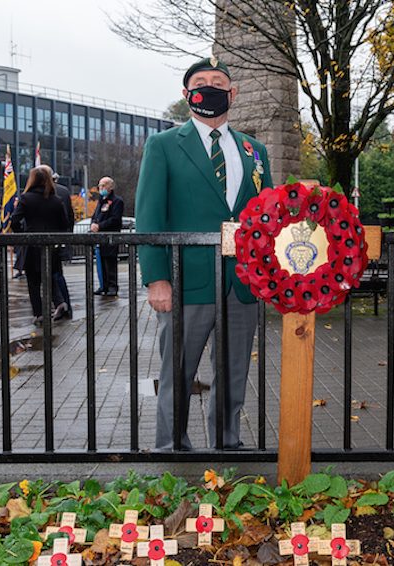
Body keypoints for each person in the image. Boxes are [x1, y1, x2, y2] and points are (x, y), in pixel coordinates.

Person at [135, 55, 273, 451]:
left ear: (233, 93)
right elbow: (149, 217)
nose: (209, 86)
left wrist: (270, 274)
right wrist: (156, 279)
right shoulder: (163, 145)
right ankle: (171, 447)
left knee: (233, 372)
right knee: (178, 371)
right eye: (201, 81)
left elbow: (269, 217)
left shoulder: (255, 149)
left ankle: (226, 443)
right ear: (187, 93)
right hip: (185, 282)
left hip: (242, 282)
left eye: (218, 81)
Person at [11, 166, 69, 326]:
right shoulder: (56, 200)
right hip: (51, 246)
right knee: (50, 276)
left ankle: (39, 313)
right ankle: (59, 302)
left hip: (31, 246)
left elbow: (14, 221)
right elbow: (64, 223)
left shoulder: (26, 198)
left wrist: (23, 234)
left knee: (33, 282)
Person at [91, 177, 124, 297]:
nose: (101, 188)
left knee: (110, 262)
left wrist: (100, 226)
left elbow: (115, 219)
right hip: (100, 237)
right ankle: (103, 285)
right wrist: (93, 224)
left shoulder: (116, 201)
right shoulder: (101, 201)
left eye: (104, 185)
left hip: (111, 236)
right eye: (100, 185)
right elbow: (95, 216)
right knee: (101, 261)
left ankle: (112, 286)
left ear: (110, 187)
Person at [50, 170, 75, 319]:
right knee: (58, 274)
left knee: (53, 274)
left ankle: (61, 305)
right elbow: (70, 217)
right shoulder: (64, 191)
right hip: (62, 237)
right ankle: (65, 306)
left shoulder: (49, 192)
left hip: (50, 238)